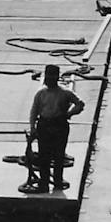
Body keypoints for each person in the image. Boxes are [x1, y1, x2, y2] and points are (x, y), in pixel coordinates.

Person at [22, 64, 85, 194]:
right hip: (44, 125)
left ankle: (58, 182)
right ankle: (44, 183)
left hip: (59, 124)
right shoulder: (40, 93)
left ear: (57, 77)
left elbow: (80, 104)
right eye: (48, 76)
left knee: (59, 156)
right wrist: (32, 128)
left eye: (52, 76)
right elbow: (34, 112)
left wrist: (69, 114)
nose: (49, 79)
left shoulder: (65, 93)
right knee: (44, 156)